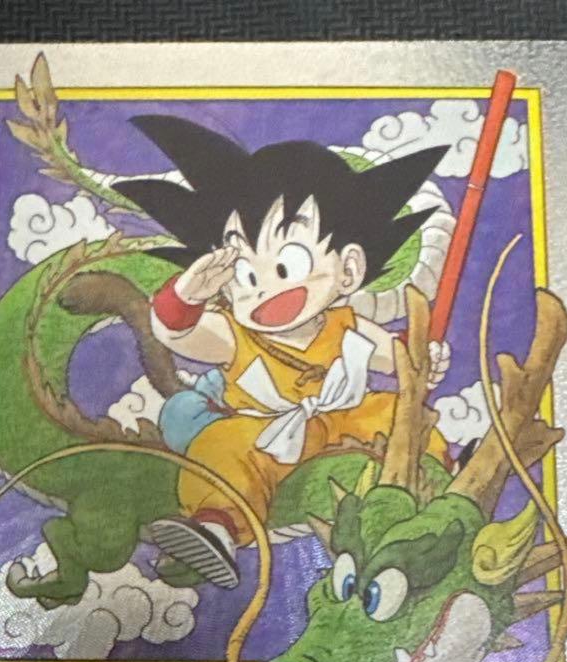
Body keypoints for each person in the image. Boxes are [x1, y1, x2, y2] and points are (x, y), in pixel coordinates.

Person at [115, 116, 453, 588]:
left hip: (345, 421)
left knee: (402, 415)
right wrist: (186, 295)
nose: (264, 289)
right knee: (222, 445)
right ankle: (216, 527)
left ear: (349, 270)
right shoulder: (234, 334)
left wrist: (423, 363)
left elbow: (399, 360)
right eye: (246, 275)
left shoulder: (347, 324)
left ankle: (439, 487)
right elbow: (177, 333)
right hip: (264, 432)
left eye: (286, 266)